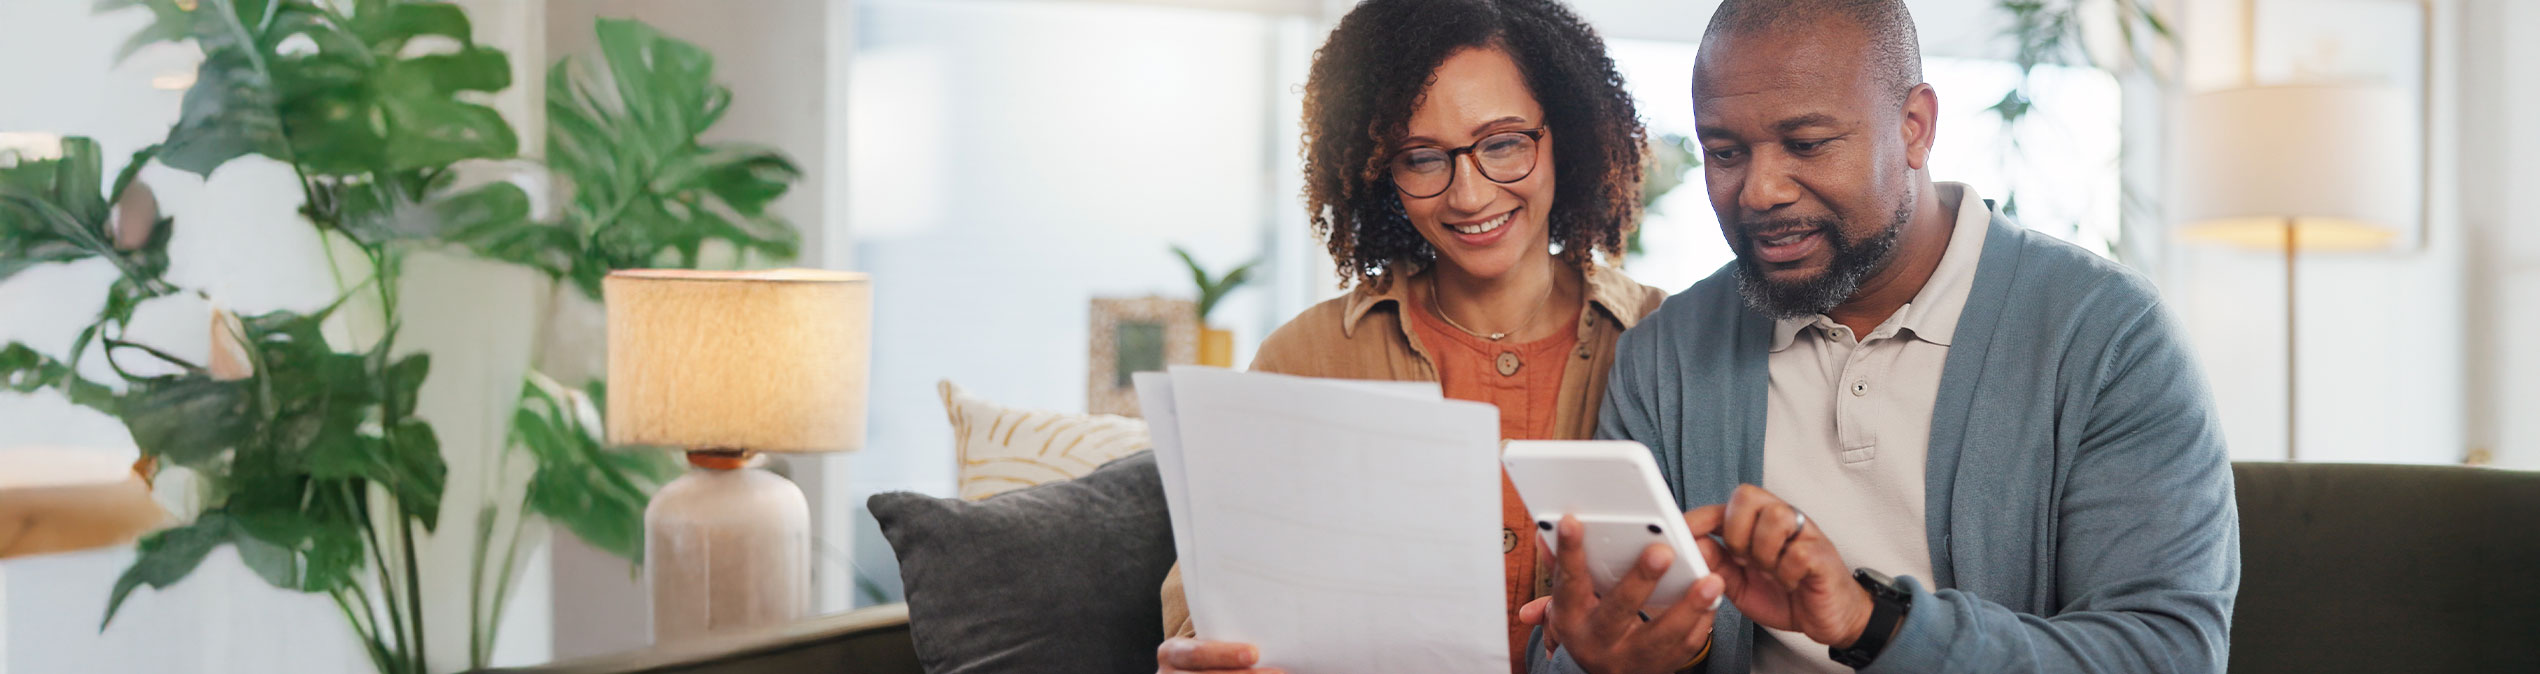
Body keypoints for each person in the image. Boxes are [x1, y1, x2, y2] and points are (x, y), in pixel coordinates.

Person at [1521, 1, 2241, 672]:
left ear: (1915, 127)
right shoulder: (1668, 353)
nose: (1760, 191)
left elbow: (2167, 651)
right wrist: (1610, 655)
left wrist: (1877, 624)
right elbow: (1599, 639)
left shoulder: (2105, 336)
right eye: (1724, 152)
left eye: (1805, 143)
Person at [1153, 1, 1669, 672]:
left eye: (1504, 143)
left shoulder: (1665, 343)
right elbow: (1211, 605)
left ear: (1563, 133)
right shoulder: (1306, 357)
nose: (1469, 195)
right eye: (1422, 158)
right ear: (1378, 171)